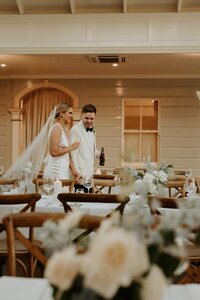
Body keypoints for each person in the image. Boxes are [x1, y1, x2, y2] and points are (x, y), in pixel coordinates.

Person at [43, 103, 79, 180]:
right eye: (69, 113)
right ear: (61, 114)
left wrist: (73, 170)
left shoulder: (65, 129)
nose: (71, 116)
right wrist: (72, 147)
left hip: (63, 169)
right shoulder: (57, 128)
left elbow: (65, 153)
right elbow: (54, 152)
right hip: (55, 169)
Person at [69, 104, 100, 192]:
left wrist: (98, 154)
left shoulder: (93, 131)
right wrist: (77, 174)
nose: (89, 121)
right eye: (86, 118)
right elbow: (73, 154)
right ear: (81, 115)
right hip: (80, 176)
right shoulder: (75, 130)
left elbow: (88, 148)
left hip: (89, 175)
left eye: (92, 119)